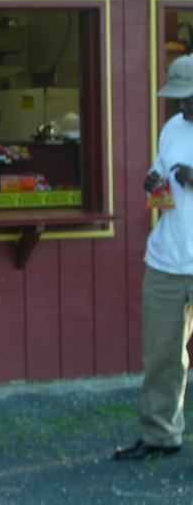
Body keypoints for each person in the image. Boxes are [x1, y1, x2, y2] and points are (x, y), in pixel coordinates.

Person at [114, 53, 193, 461]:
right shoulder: (172, 128)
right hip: (167, 259)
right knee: (162, 355)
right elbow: (161, 176)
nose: (182, 104)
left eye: (189, 97)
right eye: (178, 97)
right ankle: (162, 434)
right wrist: (153, 182)